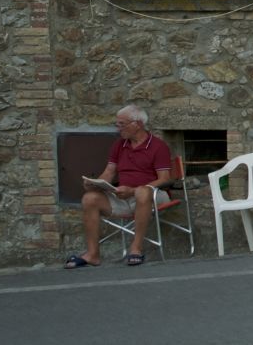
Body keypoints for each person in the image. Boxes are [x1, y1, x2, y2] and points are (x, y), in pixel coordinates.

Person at [63, 105, 172, 268]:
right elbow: (109, 172)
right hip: (123, 196)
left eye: (122, 124)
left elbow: (165, 178)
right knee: (89, 198)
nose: (118, 128)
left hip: (153, 196)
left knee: (143, 192)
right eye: (118, 124)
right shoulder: (119, 145)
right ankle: (93, 254)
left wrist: (133, 190)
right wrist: (96, 184)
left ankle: (136, 248)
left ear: (138, 124)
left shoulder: (158, 146)